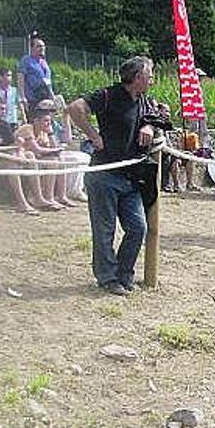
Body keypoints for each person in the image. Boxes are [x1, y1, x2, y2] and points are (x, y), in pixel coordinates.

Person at [67, 56, 159, 296]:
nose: (153, 80)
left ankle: (123, 274)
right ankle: (107, 279)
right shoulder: (108, 95)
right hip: (104, 175)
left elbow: (158, 119)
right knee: (104, 230)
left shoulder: (143, 100)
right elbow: (75, 108)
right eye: (150, 75)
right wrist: (93, 136)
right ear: (137, 78)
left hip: (129, 177)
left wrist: (149, 127)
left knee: (138, 227)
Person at [0, 94, 53, 214]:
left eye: (4, 108)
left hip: (3, 156)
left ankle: (38, 198)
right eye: (1, 108)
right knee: (12, 163)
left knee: (30, 155)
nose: (4, 111)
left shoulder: (4, 125)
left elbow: (15, 145)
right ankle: (21, 203)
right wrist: (13, 150)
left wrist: (20, 151)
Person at [18, 35, 55, 119]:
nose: (42, 48)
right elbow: (20, 78)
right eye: (38, 46)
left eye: (43, 46)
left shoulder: (44, 62)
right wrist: (22, 96)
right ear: (31, 48)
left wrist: (52, 96)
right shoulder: (26, 60)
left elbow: (48, 81)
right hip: (32, 99)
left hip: (45, 98)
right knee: (34, 122)